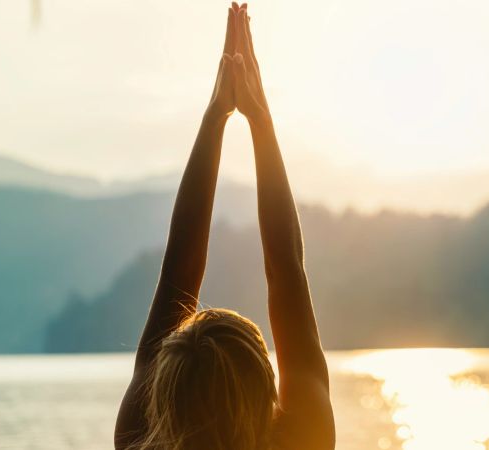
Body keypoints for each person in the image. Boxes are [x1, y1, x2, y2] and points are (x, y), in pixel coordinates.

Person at [114, 3, 335, 449]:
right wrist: (260, 120)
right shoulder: (302, 441)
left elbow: (179, 273)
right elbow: (287, 274)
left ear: (164, 397)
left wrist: (216, 115)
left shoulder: (139, 441)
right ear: (265, 391)